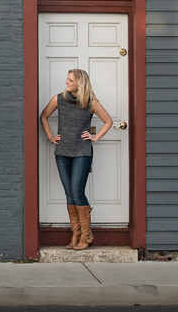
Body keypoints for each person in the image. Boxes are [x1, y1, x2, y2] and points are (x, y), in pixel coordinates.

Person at [39, 69, 112, 250]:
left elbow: (108, 121)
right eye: (67, 79)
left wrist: (95, 137)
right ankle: (76, 235)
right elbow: (44, 116)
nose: (66, 82)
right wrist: (50, 136)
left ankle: (86, 236)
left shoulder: (90, 103)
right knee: (69, 193)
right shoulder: (59, 99)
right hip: (62, 152)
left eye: (70, 80)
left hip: (82, 152)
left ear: (80, 83)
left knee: (77, 192)